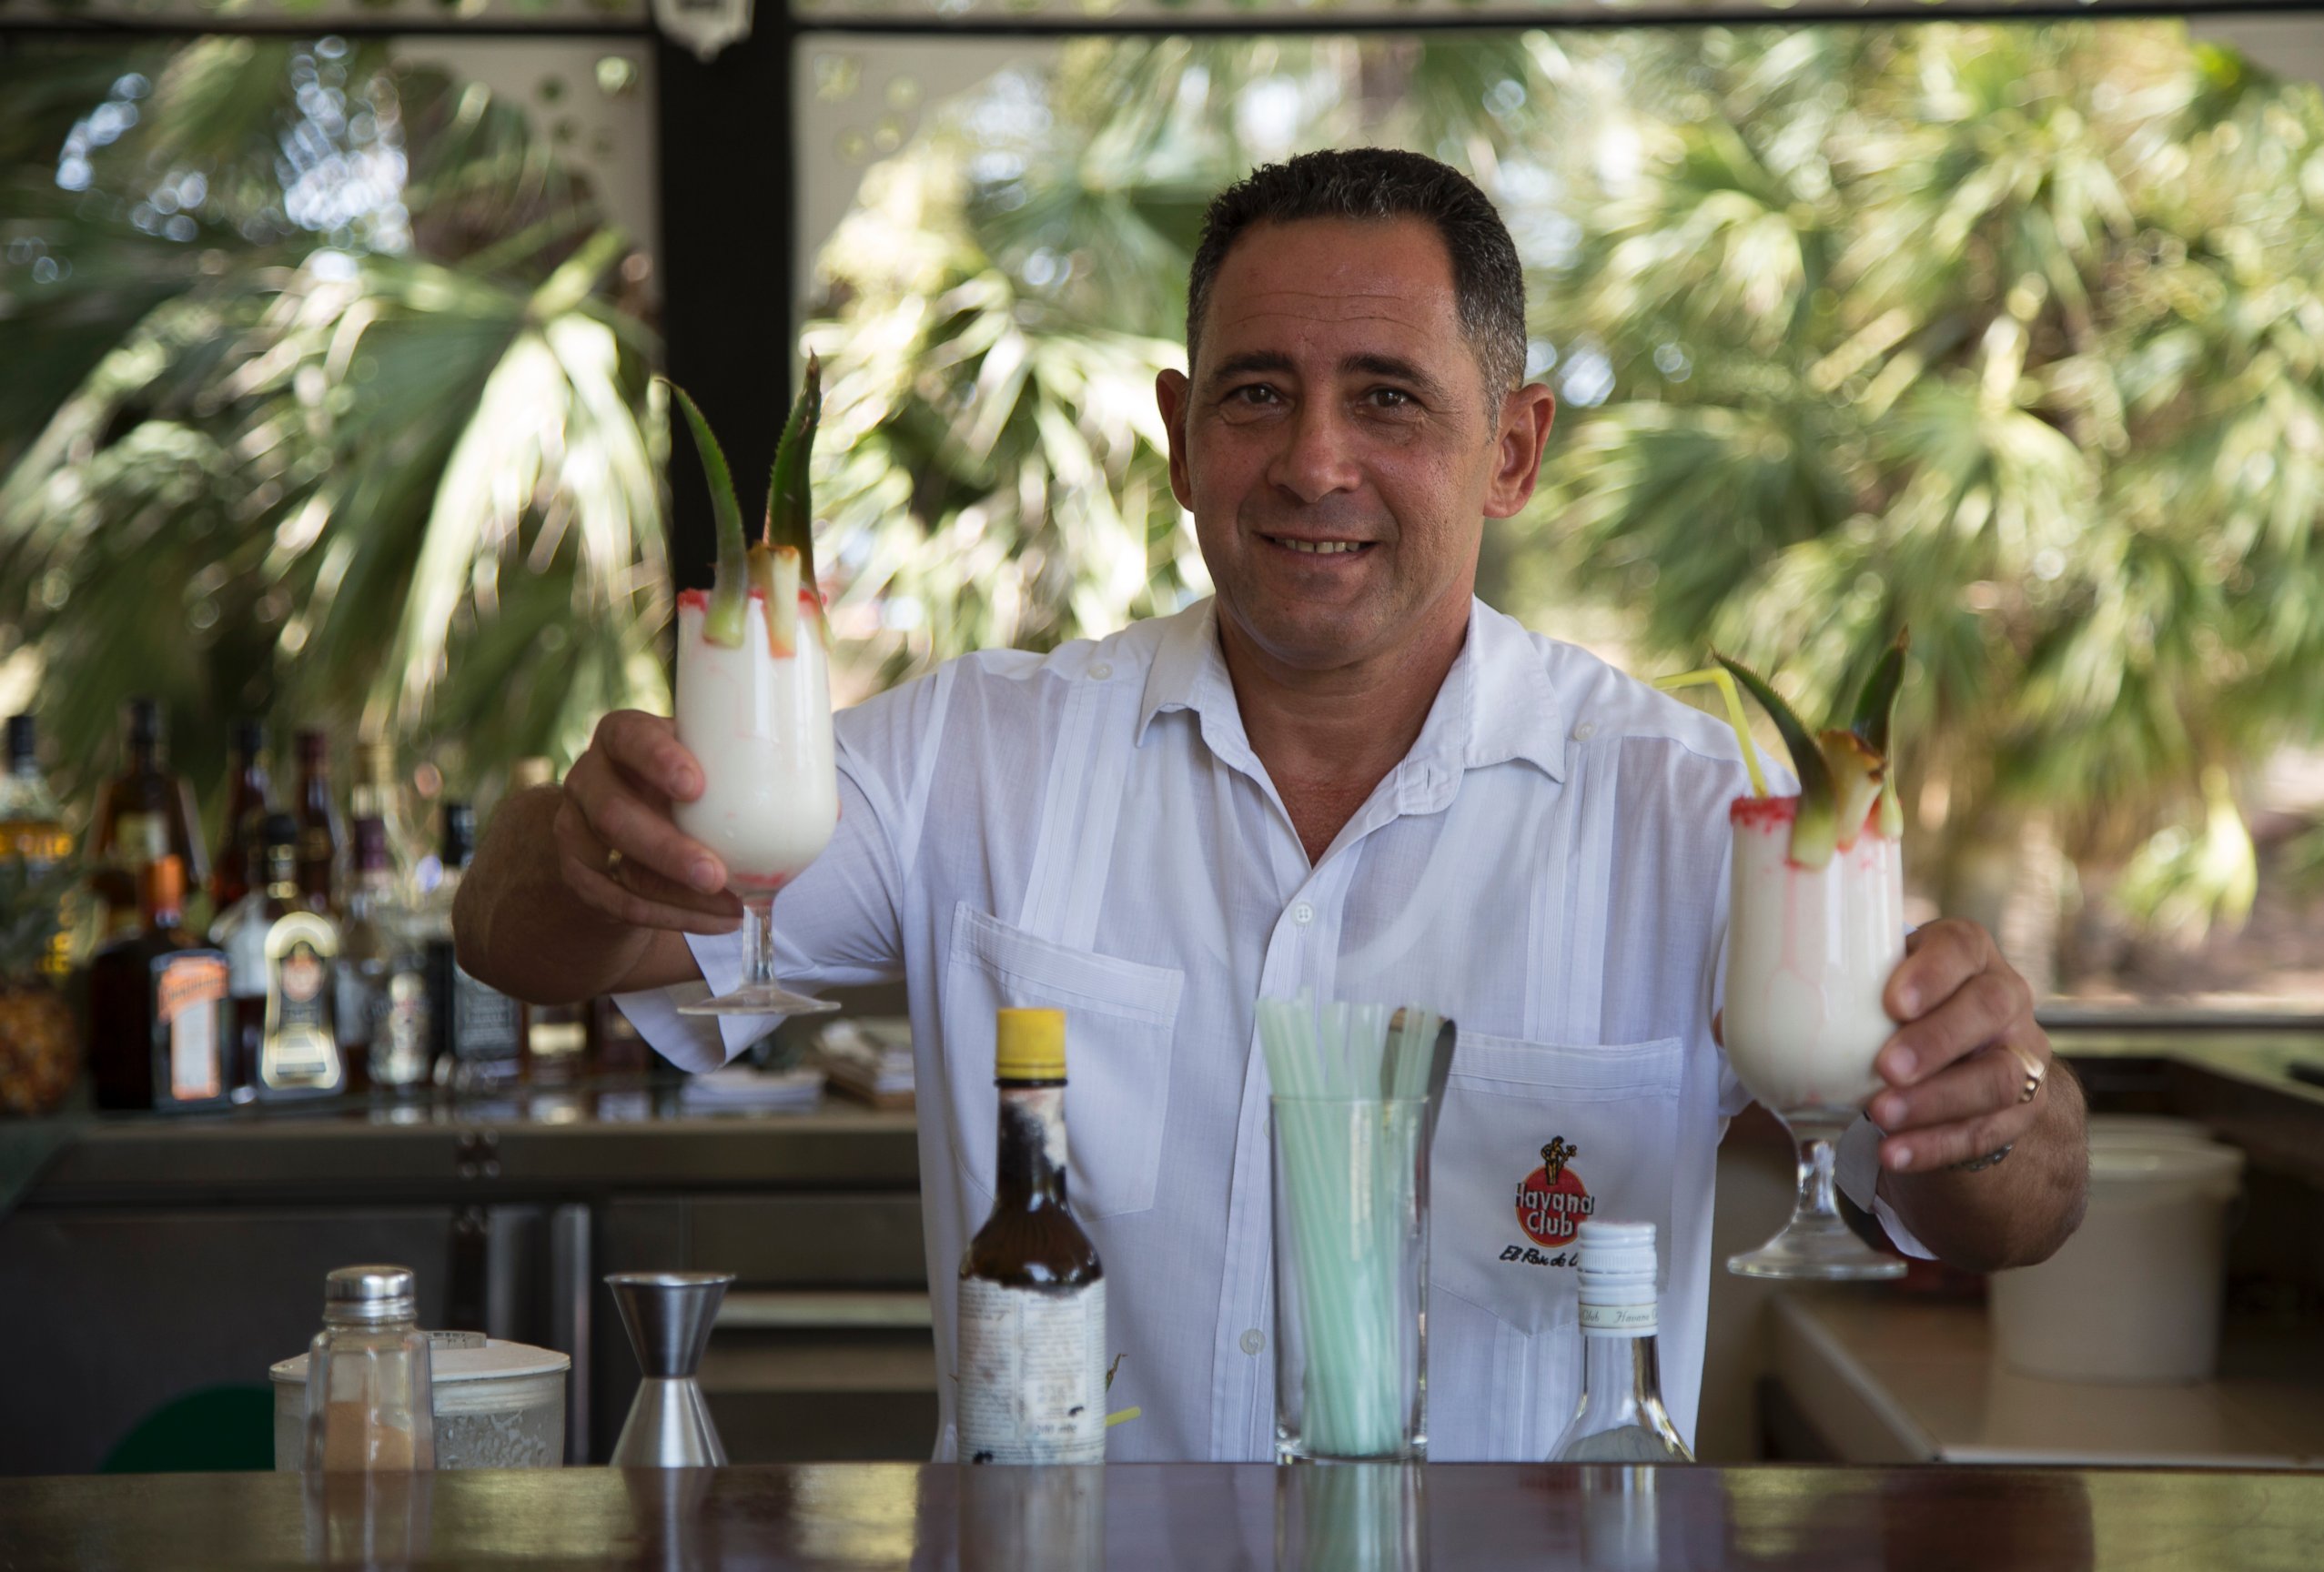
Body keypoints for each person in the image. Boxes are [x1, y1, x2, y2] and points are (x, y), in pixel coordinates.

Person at [456, 148, 2089, 1462]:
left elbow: (2003, 1211)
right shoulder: (979, 756)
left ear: (1511, 452)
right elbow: (525, 941)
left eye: (1389, 397)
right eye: (1255, 395)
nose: (1314, 462)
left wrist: (1995, 1096)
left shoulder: (1698, 810)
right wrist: (582, 848)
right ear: (1178, 436)